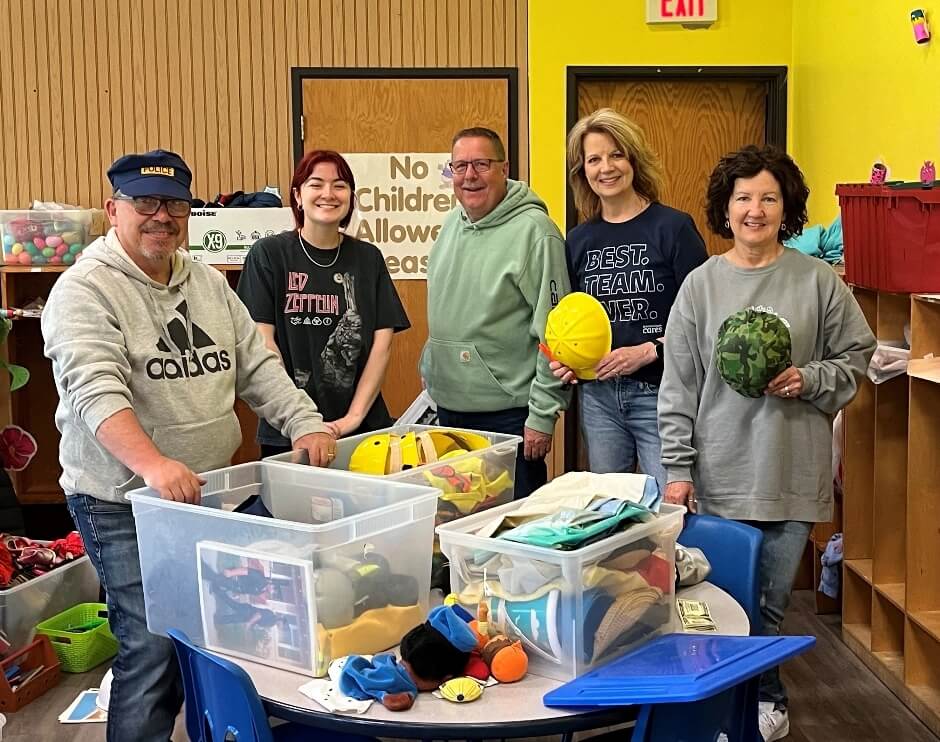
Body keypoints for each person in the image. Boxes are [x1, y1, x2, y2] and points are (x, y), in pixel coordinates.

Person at [41, 149, 337, 742]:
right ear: (112, 211)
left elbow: (256, 364)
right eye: (144, 202)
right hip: (121, 500)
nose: (162, 215)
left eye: (174, 203)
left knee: (229, 627)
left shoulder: (206, 282)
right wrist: (151, 464)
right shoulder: (83, 291)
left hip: (208, 491)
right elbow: (93, 390)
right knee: (151, 644)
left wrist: (306, 421)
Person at [657, 144, 876, 741]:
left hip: (789, 472)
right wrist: (678, 470)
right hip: (719, 474)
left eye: (769, 198)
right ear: (726, 209)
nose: (756, 210)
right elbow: (678, 386)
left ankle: (765, 699)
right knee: (721, 605)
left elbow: (857, 356)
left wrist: (812, 378)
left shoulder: (817, 281)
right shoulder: (701, 286)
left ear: (787, 209)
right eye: (744, 198)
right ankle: (719, 704)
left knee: (770, 605)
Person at [553, 108, 707, 492]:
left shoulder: (673, 228)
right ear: (582, 171)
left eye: (616, 154)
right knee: (609, 512)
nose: (606, 167)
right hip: (599, 397)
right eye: (594, 159)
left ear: (634, 160)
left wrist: (650, 350)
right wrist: (569, 362)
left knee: (672, 511)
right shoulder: (578, 240)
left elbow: (706, 320)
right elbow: (574, 322)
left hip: (662, 394)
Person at [421, 127, 571, 498]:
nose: (469, 175)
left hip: (509, 419)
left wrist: (542, 415)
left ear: (504, 169)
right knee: (456, 534)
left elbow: (556, 333)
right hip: (448, 413)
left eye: (481, 164)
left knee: (510, 536)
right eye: (459, 166)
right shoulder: (451, 225)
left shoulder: (536, 233)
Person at [237, 150, 410, 455]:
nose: (328, 194)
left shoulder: (368, 258)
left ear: (350, 197)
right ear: (298, 196)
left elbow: (381, 345)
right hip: (287, 429)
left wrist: (351, 419)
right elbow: (263, 344)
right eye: (316, 184)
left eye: (340, 185)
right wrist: (300, 420)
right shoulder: (268, 255)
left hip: (361, 430)